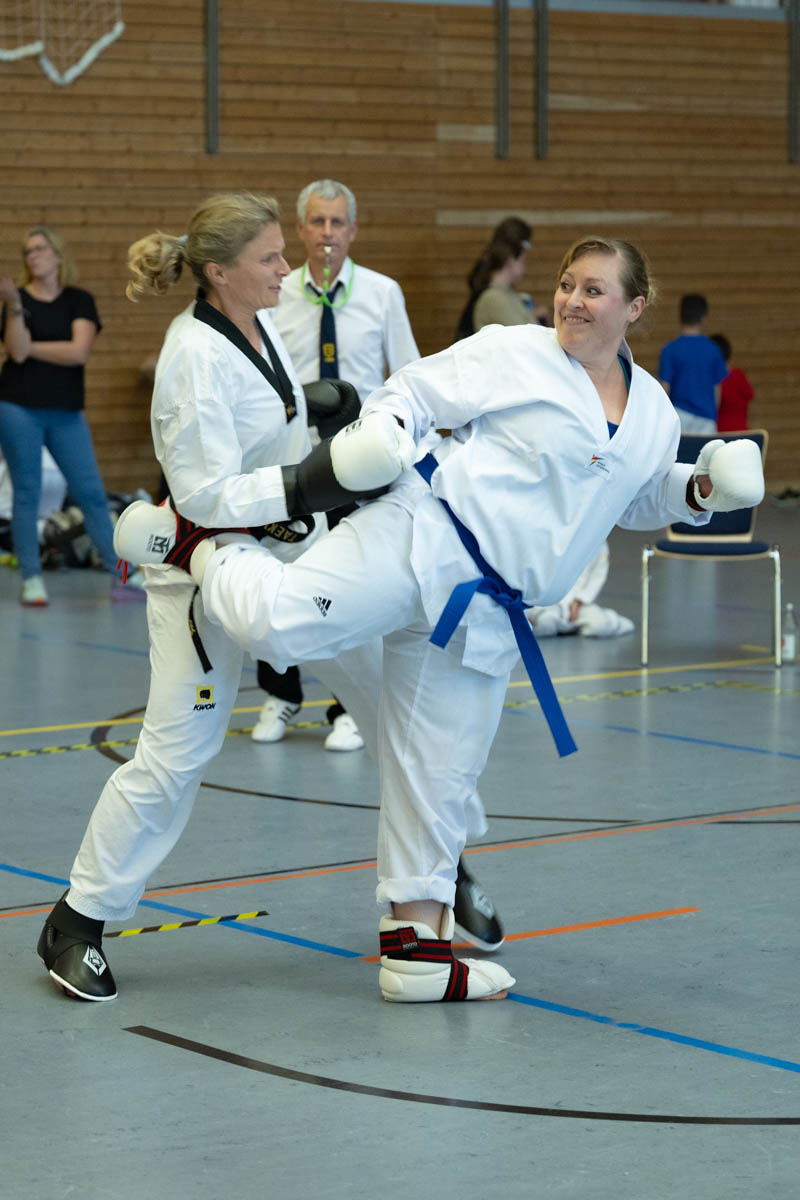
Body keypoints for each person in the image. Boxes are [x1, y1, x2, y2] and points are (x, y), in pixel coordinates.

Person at [112, 235, 765, 1005]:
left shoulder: (651, 410)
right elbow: (415, 391)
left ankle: (416, 951)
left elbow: (634, 494)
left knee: (439, 773)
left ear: (635, 307)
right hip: (421, 537)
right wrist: (385, 435)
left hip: (487, 610)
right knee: (282, 626)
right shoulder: (516, 351)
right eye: (566, 284)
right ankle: (192, 545)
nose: (572, 301)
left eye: (593, 290)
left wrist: (696, 491)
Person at [34, 191, 419, 1003]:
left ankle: (436, 879)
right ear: (219, 272)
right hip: (205, 572)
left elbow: (261, 421)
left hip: (296, 559)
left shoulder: (259, 322)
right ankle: (77, 920)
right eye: (270, 257)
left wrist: (314, 412)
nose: (287, 268)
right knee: (176, 757)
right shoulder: (191, 358)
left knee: (395, 710)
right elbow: (205, 494)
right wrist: (310, 479)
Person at [254, 179, 422, 751]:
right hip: (294, 455)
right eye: (317, 222)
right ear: (301, 230)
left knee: (355, 578)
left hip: (361, 459)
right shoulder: (276, 291)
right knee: (278, 568)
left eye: (338, 223)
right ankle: (280, 691)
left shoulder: (382, 292)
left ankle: (348, 706)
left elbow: (408, 372)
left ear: (353, 230)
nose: (327, 233)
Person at [0, 226, 145, 607]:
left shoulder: (79, 300)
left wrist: (32, 347)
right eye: (27, 251)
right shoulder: (17, 301)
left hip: (65, 411)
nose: (32, 256)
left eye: (39, 248)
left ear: (57, 254)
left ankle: (122, 575)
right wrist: (13, 305)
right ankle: (32, 578)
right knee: (27, 493)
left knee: (91, 493)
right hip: (17, 408)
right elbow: (15, 352)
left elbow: (78, 352)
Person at [455, 217, 549, 340]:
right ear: (511, 260)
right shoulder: (493, 298)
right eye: (523, 261)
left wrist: (532, 315)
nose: (524, 267)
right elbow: (529, 340)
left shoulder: (506, 294)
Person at [527, 542, 634, 638]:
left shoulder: (598, 541)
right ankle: (566, 627)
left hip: (579, 606)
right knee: (546, 624)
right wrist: (528, 613)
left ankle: (611, 621)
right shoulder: (553, 537)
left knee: (601, 625)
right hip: (549, 605)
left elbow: (597, 577)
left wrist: (578, 602)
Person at [658, 293, 728, 435]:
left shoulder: (670, 349)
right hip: (706, 417)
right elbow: (717, 389)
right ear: (703, 318)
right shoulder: (713, 349)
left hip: (679, 415)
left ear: (680, 317)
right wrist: (713, 413)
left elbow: (664, 388)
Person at [710, 333, 754, 433]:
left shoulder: (715, 380)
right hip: (742, 432)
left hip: (721, 433)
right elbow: (749, 395)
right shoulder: (739, 375)